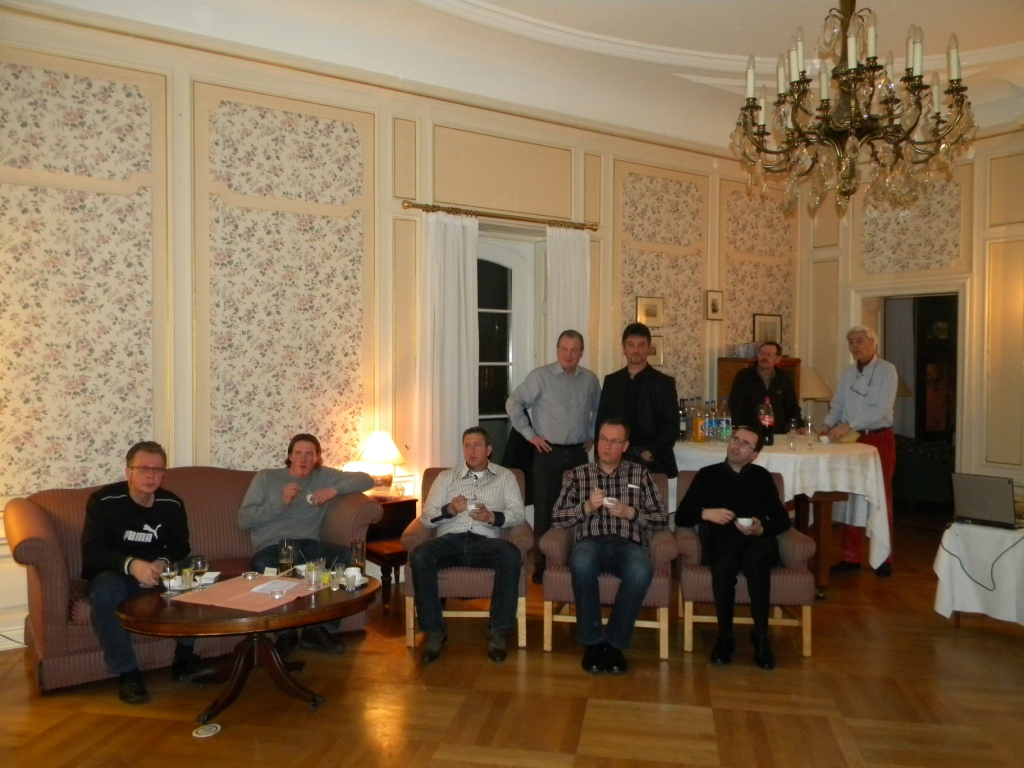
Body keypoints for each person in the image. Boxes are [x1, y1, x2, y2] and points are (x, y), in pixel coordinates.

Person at [82, 441, 213, 704]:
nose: (151, 476)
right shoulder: (103, 501)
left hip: (158, 572)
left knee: (196, 571)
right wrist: (133, 565)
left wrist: (161, 564)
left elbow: (180, 546)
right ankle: (128, 673)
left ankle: (184, 658)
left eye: (158, 470)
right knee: (106, 590)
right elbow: (93, 551)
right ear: (128, 472)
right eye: (143, 469)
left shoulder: (171, 503)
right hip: (116, 574)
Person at [238, 433, 374, 654]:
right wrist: (281, 502)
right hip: (274, 546)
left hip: (308, 545)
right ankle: (286, 633)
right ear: (290, 456)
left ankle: (319, 630)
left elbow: (367, 479)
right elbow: (244, 519)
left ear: (317, 458)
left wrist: (334, 490)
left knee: (348, 558)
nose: (303, 459)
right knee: (262, 564)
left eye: (310, 454)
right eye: (298, 453)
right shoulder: (266, 477)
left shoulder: (324, 476)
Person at [552, 419, 667, 675]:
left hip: (628, 544)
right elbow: (557, 518)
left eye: (614, 441)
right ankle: (592, 643)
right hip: (590, 542)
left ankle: (614, 644)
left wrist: (631, 513)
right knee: (581, 561)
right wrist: (586, 507)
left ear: (625, 446)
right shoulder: (578, 475)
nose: (606, 446)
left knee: (641, 569)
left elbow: (662, 519)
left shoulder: (640, 474)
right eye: (603, 439)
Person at [675, 426, 790, 669]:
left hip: (757, 541)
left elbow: (782, 520)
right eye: (735, 439)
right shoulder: (708, 475)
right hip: (723, 542)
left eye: (745, 444)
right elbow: (682, 516)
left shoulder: (761, 477)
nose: (737, 445)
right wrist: (706, 513)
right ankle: (725, 636)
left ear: (754, 454)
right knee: (723, 563)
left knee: (756, 558)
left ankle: (761, 636)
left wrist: (762, 528)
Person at [410, 427, 526, 664]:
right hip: (449, 540)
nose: (472, 451)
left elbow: (518, 514)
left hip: (485, 541)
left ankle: (497, 630)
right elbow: (426, 517)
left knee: (511, 554)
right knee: (420, 556)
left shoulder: (505, 477)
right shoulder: (446, 477)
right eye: (467, 446)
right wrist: (449, 509)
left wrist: (492, 517)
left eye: (477, 445)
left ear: (489, 449)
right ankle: (434, 631)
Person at [506, 330, 600, 585]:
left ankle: (575, 558)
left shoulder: (590, 379)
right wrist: (530, 435)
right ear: (557, 350)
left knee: (580, 507)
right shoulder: (540, 376)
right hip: (548, 453)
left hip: (579, 453)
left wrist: (592, 434)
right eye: (564, 349)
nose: (569, 354)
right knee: (545, 508)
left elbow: (597, 409)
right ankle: (542, 564)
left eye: (574, 349)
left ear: (581, 353)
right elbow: (513, 403)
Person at [822, 326, 898, 577]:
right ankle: (850, 557)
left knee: (881, 496)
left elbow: (881, 409)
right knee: (851, 495)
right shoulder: (847, 373)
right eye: (851, 342)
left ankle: (883, 558)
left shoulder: (887, 370)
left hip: (878, 439)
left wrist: (849, 424)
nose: (855, 346)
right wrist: (827, 424)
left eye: (860, 341)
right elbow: (837, 405)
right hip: (851, 441)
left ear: (873, 343)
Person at [595, 322, 679, 479]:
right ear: (624, 349)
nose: (636, 350)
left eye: (641, 345)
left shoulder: (664, 383)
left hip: (652, 462)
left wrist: (651, 452)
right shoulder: (611, 381)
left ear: (648, 349)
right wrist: (599, 459)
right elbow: (602, 422)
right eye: (631, 345)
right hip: (617, 459)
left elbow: (672, 425)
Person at [728, 341, 802, 433]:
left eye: (770, 354)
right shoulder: (744, 375)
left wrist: (799, 426)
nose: (765, 357)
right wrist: (735, 427)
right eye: (762, 353)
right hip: (749, 431)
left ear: (778, 359)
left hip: (777, 433)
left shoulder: (783, 378)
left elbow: (792, 407)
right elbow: (735, 404)